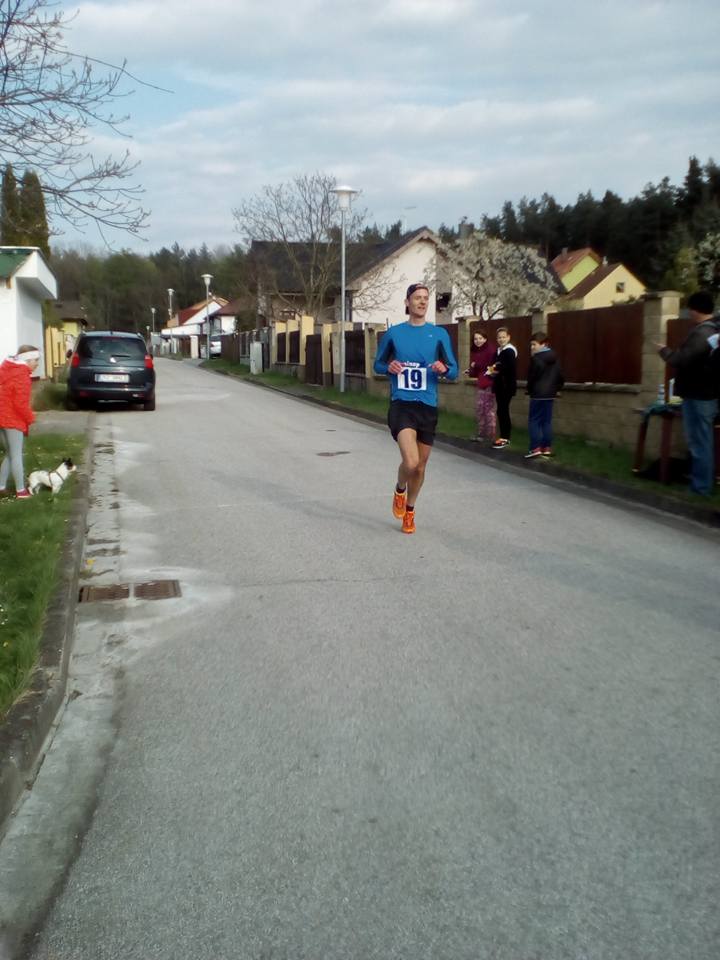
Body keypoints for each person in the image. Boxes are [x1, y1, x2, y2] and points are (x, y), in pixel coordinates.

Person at [373, 283, 459, 533]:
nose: (422, 302)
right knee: (410, 462)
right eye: (417, 297)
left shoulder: (439, 334)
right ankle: (400, 489)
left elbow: (454, 370)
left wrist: (445, 369)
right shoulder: (394, 333)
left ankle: (410, 511)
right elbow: (377, 364)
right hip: (402, 404)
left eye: (425, 298)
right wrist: (388, 367)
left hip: (427, 406)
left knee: (420, 467)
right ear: (407, 302)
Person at [657, 291, 719, 496]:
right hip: (704, 394)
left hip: (699, 395)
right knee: (700, 441)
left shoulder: (703, 333)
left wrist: (664, 351)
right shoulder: (713, 331)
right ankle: (699, 483)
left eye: (690, 308)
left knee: (699, 442)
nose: (689, 312)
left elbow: (682, 360)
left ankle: (701, 488)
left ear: (695, 309)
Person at [0, 345, 40, 500]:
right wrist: (30, 418)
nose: (37, 364)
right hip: (13, 419)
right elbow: (20, 404)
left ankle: (1, 486)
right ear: (27, 360)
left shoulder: (7, 371)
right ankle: (21, 491)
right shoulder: (22, 376)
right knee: (17, 455)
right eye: (36, 360)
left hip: (2, 417)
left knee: (10, 453)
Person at [524, 331, 565, 458]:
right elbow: (560, 375)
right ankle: (546, 448)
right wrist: (557, 388)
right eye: (531, 345)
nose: (532, 347)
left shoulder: (536, 359)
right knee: (546, 422)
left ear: (544, 344)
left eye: (534, 344)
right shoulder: (555, 357)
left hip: (537, 393)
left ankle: (535, 448)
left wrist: (529, 389)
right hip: (550, 394)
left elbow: (532, 377)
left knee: (534, 421)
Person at [465, 329, 497, 442]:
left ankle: (491, 435)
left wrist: (476, 365)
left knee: (488, 410)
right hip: (481, 384)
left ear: (485, 339)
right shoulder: (477, 351)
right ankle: (481, 434)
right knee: (480, 409)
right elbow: (477, 370)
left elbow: (491, 367)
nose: (478, 341)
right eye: (475, 339)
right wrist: (470, 371)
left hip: (489, 383)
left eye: (480, 338)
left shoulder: (490, 350)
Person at [489, 327, 517, 449]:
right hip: (499, 385)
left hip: (506, 386)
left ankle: (505, 438)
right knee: (500, 411)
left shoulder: (509, 351)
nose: (501, 339)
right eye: (499, 337)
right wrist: (492, 370)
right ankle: (502, 436)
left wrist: (496, 370)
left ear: (508, 337)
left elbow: (508, 368)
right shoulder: (498, 351)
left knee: (503, 410)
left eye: (503, 337)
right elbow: (494, 365)